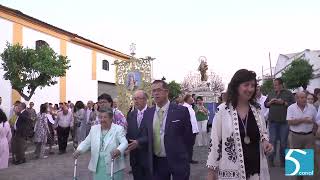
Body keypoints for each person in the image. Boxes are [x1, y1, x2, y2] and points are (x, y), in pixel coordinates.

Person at [207, 69, 273, 180]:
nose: (250, 89)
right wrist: (211, 172)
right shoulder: (223, 110)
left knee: (304, 167)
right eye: (246, 85)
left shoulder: (256, 109)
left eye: (253, 85)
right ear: (236, 86)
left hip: (256, 170)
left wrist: (265, 141)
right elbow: (214, 141)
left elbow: (263, 132)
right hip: (232, 172)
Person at [140, 80, 193, 180]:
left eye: (159, 90)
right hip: (158, 161)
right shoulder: (148, 113)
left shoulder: (181, 111)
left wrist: (185, 156)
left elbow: (188, 137)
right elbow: (146, 134)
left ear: (166, 92)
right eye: (153, 91)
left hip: (178, 160)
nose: (155, 93)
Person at [73, 108, 128, 180]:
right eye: (100, 117)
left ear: (111, 118)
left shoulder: (118, 129)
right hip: (98, 166)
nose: (102, 120)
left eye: (105, 117)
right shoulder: (94, 129)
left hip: (114, 166)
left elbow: (124, 143)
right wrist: (79, 150)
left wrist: (118, 150)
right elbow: (86, 142)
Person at [264, 78, 295, 167]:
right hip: (272, 122)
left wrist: (283, 102)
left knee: (283, 143)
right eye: (274, 85)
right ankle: (271, 160)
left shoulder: (288, 93)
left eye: (276, 85)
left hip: (284, 122)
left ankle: (283, 161)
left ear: (281, 85)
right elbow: (265, 104)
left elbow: (293, 104)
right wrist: (270, 102)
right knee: (272, 141)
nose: (275, 86)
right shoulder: (271, 93)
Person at [287, 91, 317, 180]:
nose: (304, 99)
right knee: (296, 164)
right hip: (295, 136)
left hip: (309, 136)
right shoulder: (291, 108)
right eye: (302, 98)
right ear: (297, 99)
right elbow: (290, 122)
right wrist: (303, 120)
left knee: (308, 164)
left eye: (305, 97)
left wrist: (314, 132)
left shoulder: (312, 108)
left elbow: (316, 121)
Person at [126, 90, 151, 180]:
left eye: (138, 99)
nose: (135, 101)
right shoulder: (131, 115)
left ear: (145, 100)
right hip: (135, 158)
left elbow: (155, 135)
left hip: (148, 158)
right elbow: (129, 134)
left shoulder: (152, 113)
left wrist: (139, 142)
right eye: (134, 99)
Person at [183, 94, 200, 164]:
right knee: (188, 146)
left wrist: (196, 130)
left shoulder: (190, 107)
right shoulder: (184, 107)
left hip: (193, 130)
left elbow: (193, 119)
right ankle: (187, 159)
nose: (192, 99)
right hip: (188, 130)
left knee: (191, 146)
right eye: (191, 98)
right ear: (187, 99)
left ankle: (189, 158)